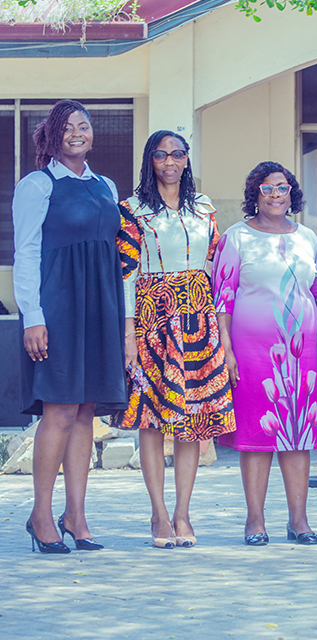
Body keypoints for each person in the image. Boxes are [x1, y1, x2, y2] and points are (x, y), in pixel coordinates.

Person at [112, 130, 235, 549]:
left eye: (177, 154)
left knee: (194, 423)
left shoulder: (204, 208)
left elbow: (218, 266)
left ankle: (183, 513)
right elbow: (125, 275)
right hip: (152, 321)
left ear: (186, 160)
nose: (169, 161)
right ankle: (158, 514)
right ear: (149, 160)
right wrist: (128, 334)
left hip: (199, 322)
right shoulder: (131, 210)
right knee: (151, 419)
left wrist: (223, 326)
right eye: (160, 154)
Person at [12, 100, 126, 553]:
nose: (77, 133)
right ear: (52, 136)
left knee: (85, 412)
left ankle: (76, 516)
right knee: (58, 410)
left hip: (99, 306)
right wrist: (33, 317)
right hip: (56, 306)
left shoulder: (106, 185)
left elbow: (117, 255)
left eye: (84, 125)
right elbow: (27, 253)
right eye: (67, 127)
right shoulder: (37, 184)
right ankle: (41, 513)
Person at [213, 161, 317, 546]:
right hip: (252, 353)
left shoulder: (309, 237)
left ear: (292, 192)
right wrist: (225, 350)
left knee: (299, 434)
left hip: (302, 353)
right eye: (267, 188)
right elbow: (222, 300)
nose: (276, 194)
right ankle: (255, 521)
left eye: (282, 187)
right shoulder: (236, 237)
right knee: (257, 436)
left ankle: (299, 521)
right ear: (254, 195)